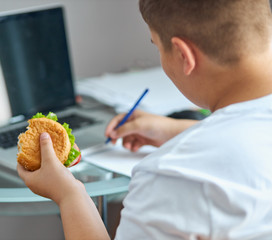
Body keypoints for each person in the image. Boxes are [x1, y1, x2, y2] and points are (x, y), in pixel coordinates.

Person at [17, 0, 272, 239]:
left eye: (157, 46)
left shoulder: (175, 174)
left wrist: (69, 195)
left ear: (184, 55)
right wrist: (176, 131)